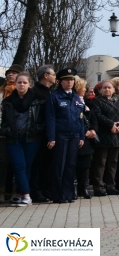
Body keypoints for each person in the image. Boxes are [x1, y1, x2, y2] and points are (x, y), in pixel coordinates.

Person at [2, 72, 45, 207]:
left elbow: (43, 119)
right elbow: (4, 121)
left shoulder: (37, 100)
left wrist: (38, 129)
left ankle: (19, 194)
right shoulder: (8, 101)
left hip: (31, 138)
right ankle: (27, 195)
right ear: (15, 84)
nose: (22, 85)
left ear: (29, 84)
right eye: (19, 82)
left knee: (27, 166)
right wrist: (5, 130)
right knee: (18, 165)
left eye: (24, 82)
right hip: (13, 138)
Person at [45, 68, 84, 204]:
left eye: (71, 80)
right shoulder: (55, 97)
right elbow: (50, 119)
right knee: (59, 166)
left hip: (74, 135)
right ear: (60, 82)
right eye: (66, 80)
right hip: (60, 135)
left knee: (70, 165)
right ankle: (58, 195)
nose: (69, 82)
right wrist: (51, 137)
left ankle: (68, 194)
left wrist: (81, 136)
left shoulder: (76, 97)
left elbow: (80, 118)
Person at [91, 80, 119, 196]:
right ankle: (98, 187)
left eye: (109, 87)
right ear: (100, 90)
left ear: (114, 89)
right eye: (105, 87)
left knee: (113, 162)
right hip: (104, 135)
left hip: (117, 135)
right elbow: (98, 115)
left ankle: (111, 186)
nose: (107, 89)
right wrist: (111, 124)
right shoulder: (97, 101)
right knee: (101, 162)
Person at [29, 65, 55, 203]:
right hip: (38, 134)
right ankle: (36, 192)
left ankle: (46, 190)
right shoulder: (34, 92)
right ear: (46, 76)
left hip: (48, 133)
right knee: (37, 164)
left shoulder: (50, 91)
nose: (55, 77)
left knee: (47, 164)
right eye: (53, 74)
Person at [77, 79, 97, 199]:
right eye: (83, 87)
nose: (85, 90)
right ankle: (74, 188)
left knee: (85, 164)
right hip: (77, 136)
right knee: (74, 164)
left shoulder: (87, 102)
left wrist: (93, 130)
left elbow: (93, 117)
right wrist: (84, 132)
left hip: (88, 137)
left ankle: (83, 187)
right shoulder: (73, 101)